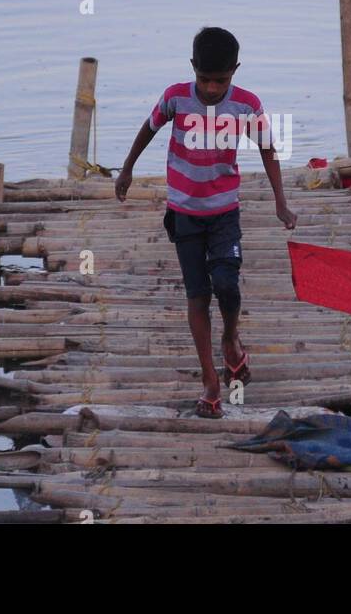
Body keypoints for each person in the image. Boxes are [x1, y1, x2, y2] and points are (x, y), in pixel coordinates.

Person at [115, 26, 297, 418]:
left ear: (236, 70)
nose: (212, 88)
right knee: (197, 296)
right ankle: (209, 380)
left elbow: (267, 149)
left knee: (228, 286)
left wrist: (281, 201)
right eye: (205, 79)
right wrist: (127, 170)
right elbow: (147, 130)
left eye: (221, 80)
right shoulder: (176, 98)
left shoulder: (246, 105)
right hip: (183, 213)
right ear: (193, 67)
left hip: (223, 213)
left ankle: (231, 341)